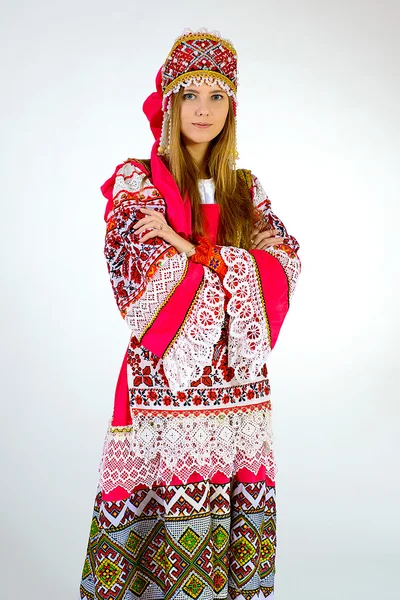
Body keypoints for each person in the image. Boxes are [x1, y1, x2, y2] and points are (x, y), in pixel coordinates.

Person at [80, 27, 301, 600]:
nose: (203, 110)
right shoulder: (138, 179)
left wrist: (188, 249)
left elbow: (284, 265)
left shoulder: (243, 189)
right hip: (160, 387)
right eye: (189, 94)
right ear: (170, 102)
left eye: (216, 96)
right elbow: (143, 284)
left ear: (232, 106)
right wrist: (228, 264)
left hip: (235, 390)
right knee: (156, 520)